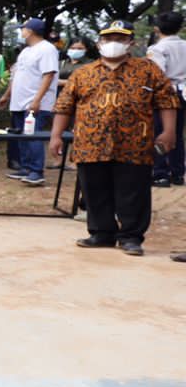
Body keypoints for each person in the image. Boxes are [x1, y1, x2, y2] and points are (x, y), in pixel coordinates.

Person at [51, 21, 180, 256]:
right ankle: (101, 233)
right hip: (90, 142)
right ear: (100, 42)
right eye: (109, 38)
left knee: (133, 190)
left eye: (120, 39)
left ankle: (131, 236)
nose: (114, 43)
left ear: (131, 42)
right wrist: (56, 136)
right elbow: (64, 106)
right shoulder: (83, 73)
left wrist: (169, 131)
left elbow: (167, 101)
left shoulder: (148, 70)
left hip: (134, 143)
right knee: (94, 189)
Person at [0, 17, 58, 187]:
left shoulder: (47, 49)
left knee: (33, 136)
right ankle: (25, 168)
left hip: (35, 103)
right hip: (19, 102)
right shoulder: (26, 51)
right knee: (22, 136)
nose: (21, 31)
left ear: (30, 31)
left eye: (23, 28)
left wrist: (37, 100)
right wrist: (7, 95)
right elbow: (16, 75)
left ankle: (36, 171)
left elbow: (49, 75)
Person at [148, 11, 186, 187]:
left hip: (165, 93)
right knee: (177, 134)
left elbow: (158, 74)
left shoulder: (157, 49)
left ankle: (160, 172)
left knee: (160, 132)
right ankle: (177, 173)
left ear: (156, 28)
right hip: (183, 92)